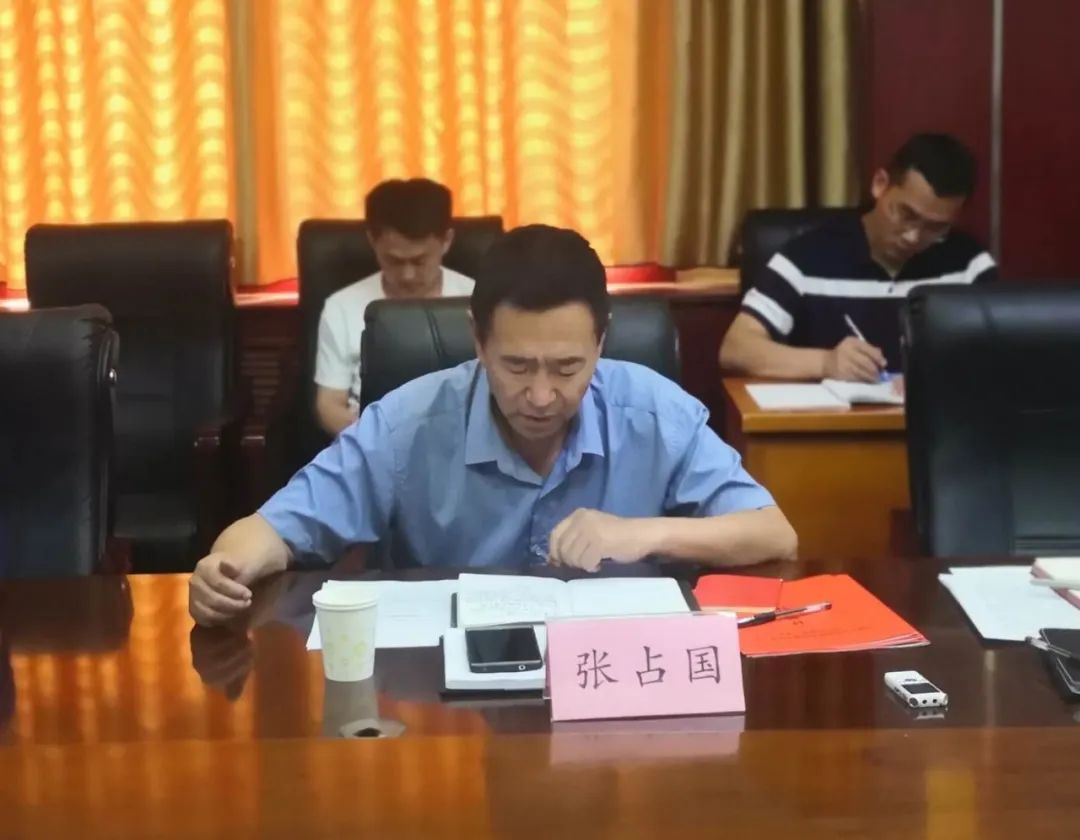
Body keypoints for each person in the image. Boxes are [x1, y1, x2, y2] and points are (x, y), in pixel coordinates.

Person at [189, 225, 796, 626]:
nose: (541, 395)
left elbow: (774, 535)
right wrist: (225, 571)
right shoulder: (409, 423)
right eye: (516, 366)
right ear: (478, 340)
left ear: (601, 341)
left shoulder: (653, 412)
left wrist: (642, 535)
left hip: (613, 689)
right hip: (451, 698)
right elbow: (271, 529)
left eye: (567, 368)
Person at [720, 133, 997, 383]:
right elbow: (736, 349)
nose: (913, 236)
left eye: (935, 227)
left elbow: (1003, 357)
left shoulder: (968, 267)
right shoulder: (808, 257)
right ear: (880, 185)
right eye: (906, 214)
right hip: (833, 421)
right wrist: (826, 363)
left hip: (936, 422)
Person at [314, 178, 475, 435]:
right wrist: (375, 443)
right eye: (394, 261)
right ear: (372, 241)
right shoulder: (341, 307)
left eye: (419, 261)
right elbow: (329, 404)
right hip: (372, 440)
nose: (407, 275)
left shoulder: (479, 299)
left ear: (447, 240)